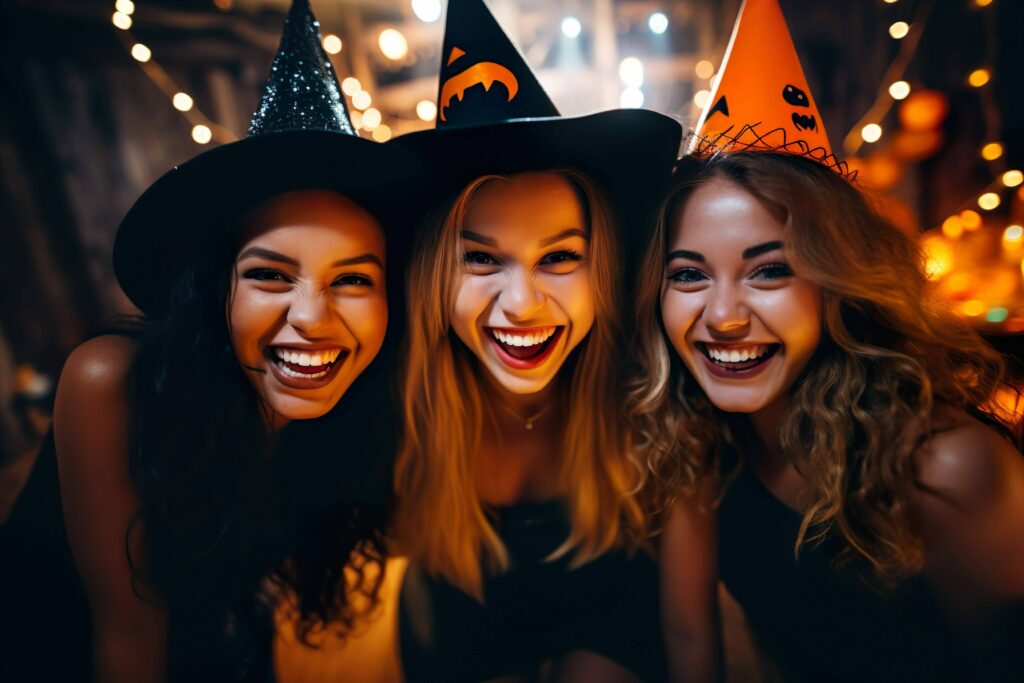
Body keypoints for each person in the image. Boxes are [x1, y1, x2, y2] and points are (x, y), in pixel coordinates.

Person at [0, 2, 424, 681]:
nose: (311, 318)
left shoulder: (365, 405)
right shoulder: (111, 381)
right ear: (217, 289)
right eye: (269, 274)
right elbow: (129, 627)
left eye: (352, 279)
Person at [628, 2, 1024, 681]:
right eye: (689, 273)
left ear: (834, 282)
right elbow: (689, 633)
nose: (722, 315)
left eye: (770, 269)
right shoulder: (702, 436)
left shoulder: (946, 469)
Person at [388, 0, 681, 680]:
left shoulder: (651, 389)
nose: (521, 306)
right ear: (436, 275)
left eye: (559, 257)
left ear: (602, 270)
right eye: (483, 259)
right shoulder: (388, 399)